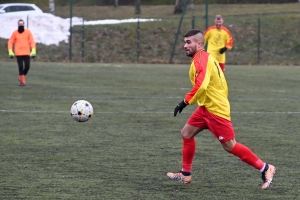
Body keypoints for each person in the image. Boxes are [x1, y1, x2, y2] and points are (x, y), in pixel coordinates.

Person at [167, 29, 276, 190]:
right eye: (184, 42)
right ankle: (185, 173)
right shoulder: (202, 57)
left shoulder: (201, 58)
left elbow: (202, 85)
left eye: (188, 42)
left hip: (215, 109)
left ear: (199, 43)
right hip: (206, 107)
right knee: (186, 133)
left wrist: (185, 102)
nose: (185, 45)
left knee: (230, 146)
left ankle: (265, 168)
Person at [8, 19, 36, 86]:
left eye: (22, 24)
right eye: (19, 24)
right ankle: (22, 81)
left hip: (26, 52)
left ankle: (21, 77)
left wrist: (33, 50)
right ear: (18, 25)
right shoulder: (15, 33)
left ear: (24, 24)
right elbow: (10, 42)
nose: (21, 25)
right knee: (20, 67)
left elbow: (32, 41)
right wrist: (10, 51)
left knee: (27, 66)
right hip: (18, 52)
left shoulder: (28, 32)